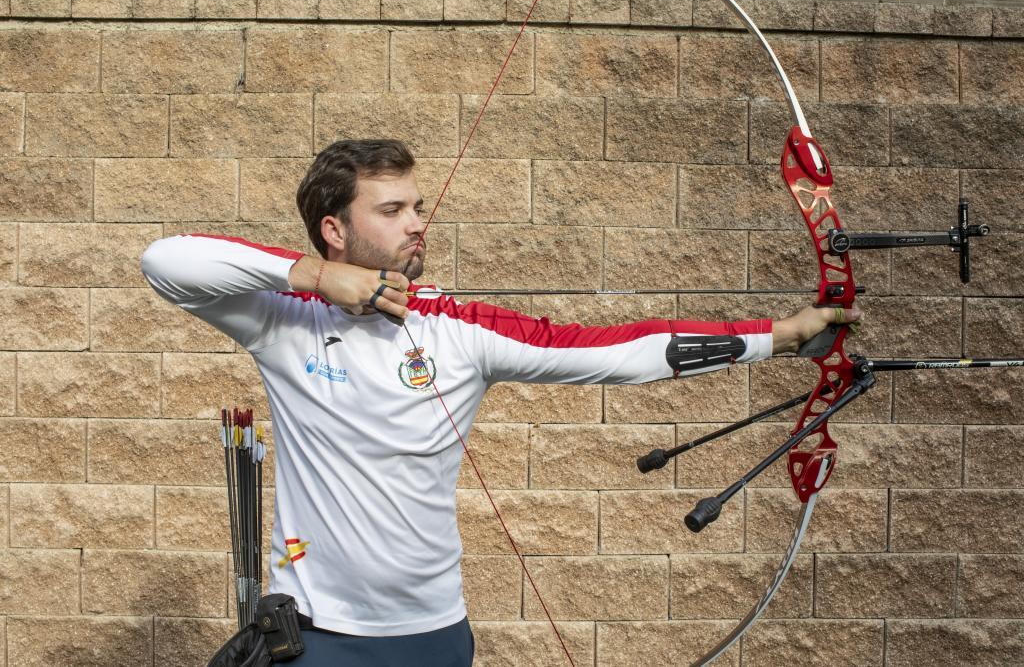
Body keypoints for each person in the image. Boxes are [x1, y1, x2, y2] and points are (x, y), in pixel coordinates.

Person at [141, 139, 859, 666]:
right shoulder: (281, 320)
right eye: (392, 210)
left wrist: (782, 335)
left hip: (435, 637)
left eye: (418, 206)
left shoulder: (461, 330)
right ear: (336, 229)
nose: (418, 222)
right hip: (318, 637)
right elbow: (166, 262)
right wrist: (318, 280)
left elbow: (616, 351)